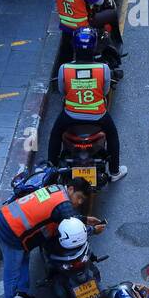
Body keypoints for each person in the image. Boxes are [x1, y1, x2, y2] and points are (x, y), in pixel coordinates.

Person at [0, 178, 103, 298]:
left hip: (7, 217)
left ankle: (22, 292)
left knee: (23, 258)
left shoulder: (56, 188)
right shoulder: (64, 205)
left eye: (82, 200)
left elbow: (57, 211)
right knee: (13, 267)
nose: (79, 203)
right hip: (10, 231)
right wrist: (93, 230)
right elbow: (74, 230)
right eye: (79, 197)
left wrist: (84, 219)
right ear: (71, 189)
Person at [48, 26, 127, 182]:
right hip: (98, 116)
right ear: (94, 46)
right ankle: (114, 171)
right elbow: (105, 91)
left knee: (55, 135)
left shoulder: (65, 69)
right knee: (112, 135)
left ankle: (51, 170)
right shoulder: (103, 68)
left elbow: (63, 91)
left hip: (70, 115)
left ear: (75, 46)